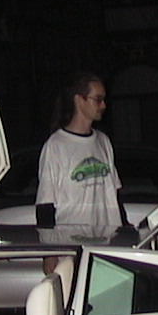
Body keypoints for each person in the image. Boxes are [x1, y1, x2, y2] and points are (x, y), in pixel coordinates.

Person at [35, 72, 128, 239]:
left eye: (104, 100)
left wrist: (124, 229)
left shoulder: (103, 141)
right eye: (98, 99)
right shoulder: (56, 145)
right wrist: (49, 248)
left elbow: (114, 191)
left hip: (106, 241)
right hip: (71, 241)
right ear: (79, 100)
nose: (103, 105)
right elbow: (45, 204)